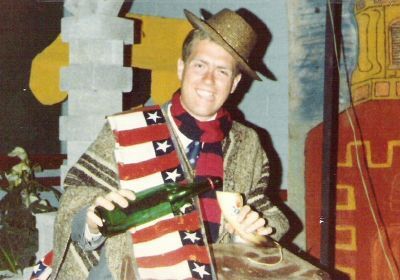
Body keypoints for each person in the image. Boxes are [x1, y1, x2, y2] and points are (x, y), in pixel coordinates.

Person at [50, 8, 289, 279]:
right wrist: (93, 219)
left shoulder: (247, 143)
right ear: (181, 67)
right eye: (200, 65)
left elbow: (259, 208)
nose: (208, 80)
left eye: (222, 71)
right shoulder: (129, 128)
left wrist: (250, 233)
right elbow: (76, 200)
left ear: (234, 83)